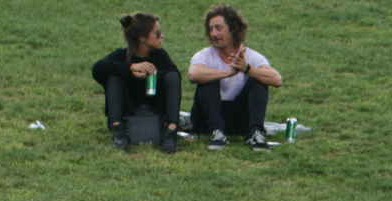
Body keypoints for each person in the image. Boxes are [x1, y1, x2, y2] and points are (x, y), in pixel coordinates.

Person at [188, 5, 281, 152]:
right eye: (210, 29)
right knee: (206, 81)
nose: (213, 33)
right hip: (206, 119)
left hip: (238, 120)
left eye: (218, 28)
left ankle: (255, 133)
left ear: (233, 29)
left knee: (258, 79)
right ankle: (217, 133)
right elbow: (193, 74)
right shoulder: (204, 55)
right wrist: (227, 73)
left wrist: (247, 69)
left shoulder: (252, 57)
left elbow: (277, 80)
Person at [91, 13, 181, 153]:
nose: (162, 36)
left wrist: (152, 73)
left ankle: (171, 131)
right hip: (128, 108)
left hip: (155, 107)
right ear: (142, 38)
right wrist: (130, 68)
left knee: (173, 76)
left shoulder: (160, 55)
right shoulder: (122, 55)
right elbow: (97, 69)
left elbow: (174, 78)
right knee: (114, 77)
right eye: (157, 34)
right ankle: (118, 130)